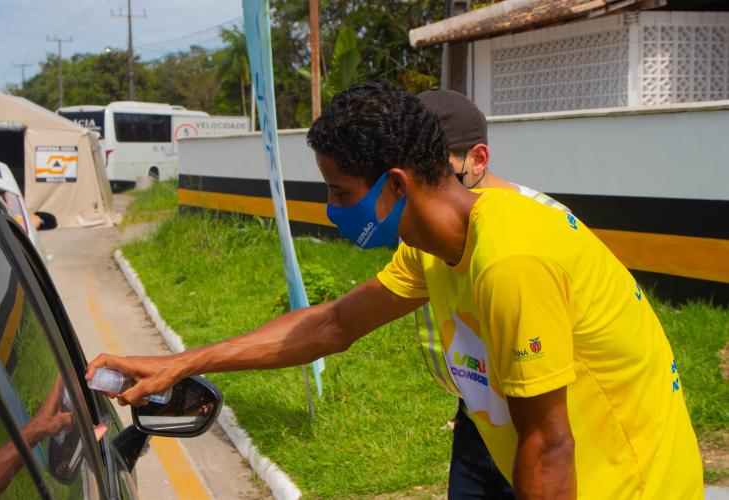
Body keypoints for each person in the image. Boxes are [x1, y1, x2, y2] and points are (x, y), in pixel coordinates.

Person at [88, 80, 702, 499]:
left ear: (397, 185)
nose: (332, 209)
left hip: (627, 485)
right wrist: (181, 364)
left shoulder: (510, 259)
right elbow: (333, 324)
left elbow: (549, 444)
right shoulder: (434, 244)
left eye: (341, 192)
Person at [415, 87, 574, 499]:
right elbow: (342, 320)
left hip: (542, 418)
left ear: (478, 159)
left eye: (433, 171)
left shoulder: (537, 230)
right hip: (477, 415)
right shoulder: (429, 230)